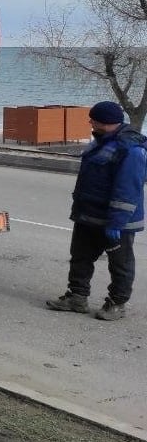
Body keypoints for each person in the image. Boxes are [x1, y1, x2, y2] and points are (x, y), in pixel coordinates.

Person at [46, 100, 146, 321]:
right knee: (80, 257)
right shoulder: (100, 142)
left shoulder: (130, 150)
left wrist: (116, 223)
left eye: (94, 119)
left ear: (107, 122)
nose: (90, 122)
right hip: (89, 215)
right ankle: (77, 297)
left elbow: (127, 190)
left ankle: (117, 303)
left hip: (116, 222)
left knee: (120, 263)